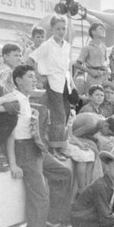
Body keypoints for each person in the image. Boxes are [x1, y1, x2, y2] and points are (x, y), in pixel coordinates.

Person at [7, 65, 72, 227]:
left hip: (35, 147)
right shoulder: (15, 100)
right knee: (40, 198)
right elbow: (9, 134)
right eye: (30, 77)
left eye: (35, 76)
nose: (34, 79)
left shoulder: (25, 99)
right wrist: (13, 163)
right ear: (18, 80)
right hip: (24, 149)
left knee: (64, 173)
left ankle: (53, 218)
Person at [28, 15, 74, 160]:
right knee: (57, 115)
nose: (61, 31)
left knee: (66, 114)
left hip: (65, 84)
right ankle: (54, 149)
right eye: (58, 29)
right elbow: (31, 59)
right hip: (53, 84)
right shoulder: (47, 45)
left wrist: (71, 83)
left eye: (63, 28)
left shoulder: (66, 46)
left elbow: (68, 67)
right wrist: (39, 77)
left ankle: (61, 145)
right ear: (52, 29)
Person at [74, 23, 110, 91]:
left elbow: (104, 63)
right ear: (93, 32)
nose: (103, 30)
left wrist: (107, 71)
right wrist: (90, 71)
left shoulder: (104, 48)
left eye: (104, 29)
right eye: (100, 29)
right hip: (93, 77)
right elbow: (77, 64)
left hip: (103, 76)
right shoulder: (87, 48)